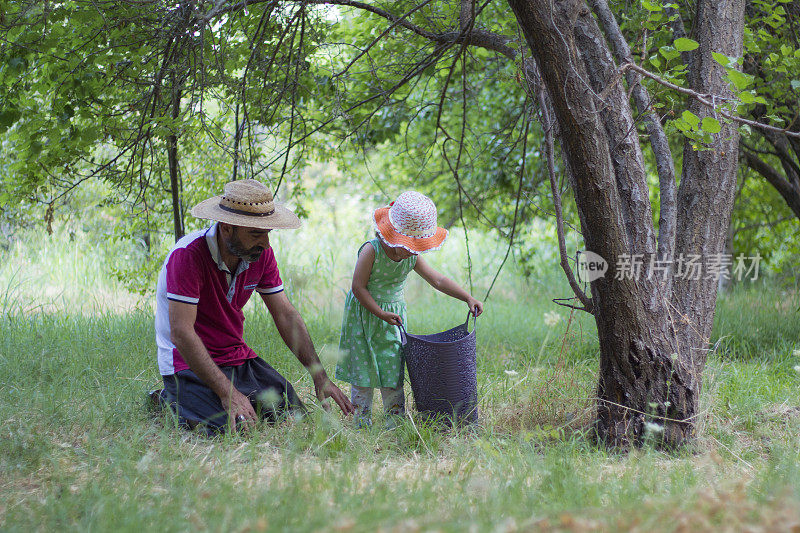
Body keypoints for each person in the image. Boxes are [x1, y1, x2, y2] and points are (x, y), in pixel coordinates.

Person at [153, 179, 354, 435]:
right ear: (227, 228)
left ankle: (208, 399)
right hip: (186, 361)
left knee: (292, 415)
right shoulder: (188, 255)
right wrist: (228, 394)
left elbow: (285, 314)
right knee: (227, 430)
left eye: (268, 232)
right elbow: (181, 333)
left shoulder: (259, 255)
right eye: (256, 233)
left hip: (235, 356)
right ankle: (167, 399)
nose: (266, 243)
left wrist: (319, 376)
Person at [335, 191, 484, 428]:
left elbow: (438, 280)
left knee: (393, 365)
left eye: (417, 246)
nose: (414, 250)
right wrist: (380, 313)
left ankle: (394, 423)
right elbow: (358, 288)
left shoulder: (411, 257)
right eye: (410, 245)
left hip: (393, 319)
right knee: (363, 367)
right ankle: (361, 421)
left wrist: (467, 297)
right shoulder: (371, 251)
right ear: (393, 235)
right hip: (365, 315)